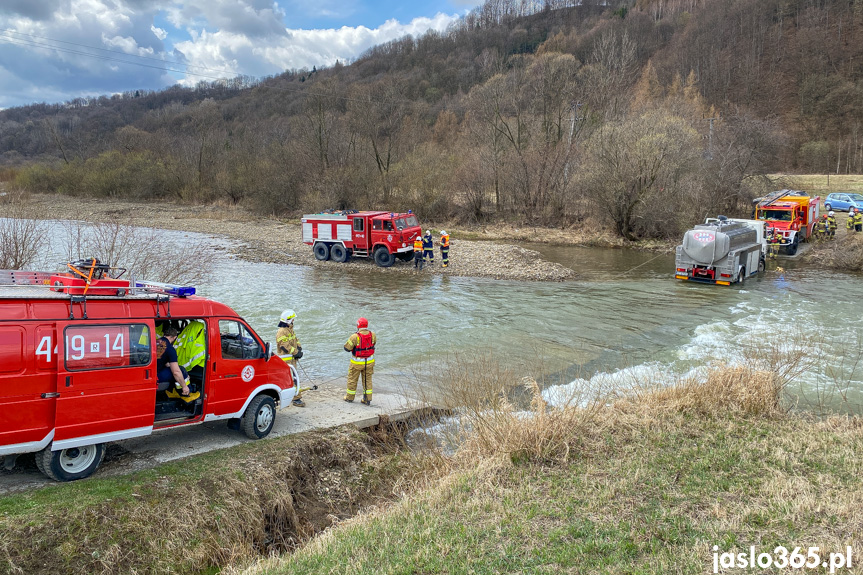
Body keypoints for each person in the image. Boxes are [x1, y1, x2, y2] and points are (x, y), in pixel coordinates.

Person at [157, 327, 200, 403]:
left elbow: (161, 360)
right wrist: (184, 385)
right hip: (157, 377)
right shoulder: (170, 349)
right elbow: (176, 372)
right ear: (174, 337)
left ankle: (171, 392)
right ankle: (187, 394)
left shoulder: (157, 341)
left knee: (178, 371)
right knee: (181, 370)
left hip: (153, 371)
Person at [276, 309, 305, 407]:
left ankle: (294, 397)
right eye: (292, 320)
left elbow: (295, 340)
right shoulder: (281, 331)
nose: (293, 321)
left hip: (292, 359)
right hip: (286, 360)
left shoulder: (290, 330)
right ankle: (296, 399)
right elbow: (285, 346)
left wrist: (299, 347)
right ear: (288, 320)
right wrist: (296, 352)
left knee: (293, 378)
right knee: (292, 379)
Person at [344, 317, 376, 406]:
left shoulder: (354, 336)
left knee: (352, 380)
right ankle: (367, 399)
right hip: (369, 363)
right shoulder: (373, 334)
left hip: (356, 363)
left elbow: (346, 348)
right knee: (367, 381)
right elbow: (373, 344)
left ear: (358, 325)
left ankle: (349, 398)